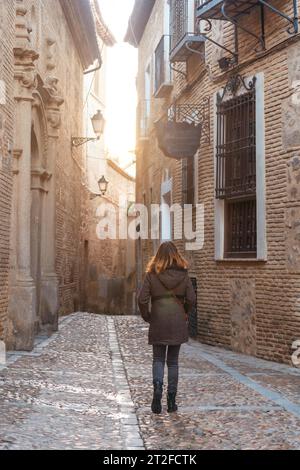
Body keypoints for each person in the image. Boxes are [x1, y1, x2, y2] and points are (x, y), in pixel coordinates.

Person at [138, 241, 196, 414]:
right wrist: (184, 312)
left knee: (158, 359)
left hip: (158, 321)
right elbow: (192, 299)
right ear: (176, 255)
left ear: (158, 255)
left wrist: (147, 316)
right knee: (173, 362)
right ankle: (171, 401)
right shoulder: (184, 275)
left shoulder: (151, 274)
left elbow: (141, 299)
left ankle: (157, 388)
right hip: (177, 322)